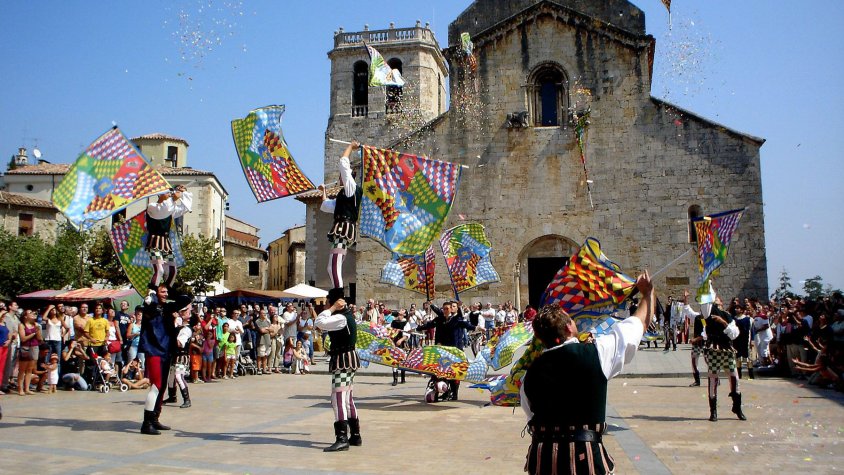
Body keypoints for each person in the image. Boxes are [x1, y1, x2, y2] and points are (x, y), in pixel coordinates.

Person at [521, 271, 655, 475]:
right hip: (586, 462)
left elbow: (532, 415)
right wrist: (647, 293)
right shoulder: (598, 353)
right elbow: (639, 324)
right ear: (568, 328)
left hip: (545, 462)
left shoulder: (529, 374)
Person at [138, 284, 192, 435]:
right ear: (155, 293)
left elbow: (185, 299)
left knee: (162, 388)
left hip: (166, 351)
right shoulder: (150, 307)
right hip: (154, 350)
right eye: (162, 291)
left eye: (167, 291)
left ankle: (155, 418)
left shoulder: (168, 309)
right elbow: (151, 302)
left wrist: (169, 281)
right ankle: (146, 423)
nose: (166, 293)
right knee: (156, 385)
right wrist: (153, 289)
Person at [315, 288, 361, 452]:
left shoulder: (341, 317)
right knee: (348, 398)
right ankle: (355, 435)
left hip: (342, 360)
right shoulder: (347, 316)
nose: (325, 306)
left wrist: (332, 308)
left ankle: (342, 438)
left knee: (338, 398)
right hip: (348, 359)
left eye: (327, 302)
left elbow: (319, 322)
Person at [318, 140, 362, 290]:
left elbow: (343, 163)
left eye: (341, 177)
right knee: (332, 267)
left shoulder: (351, 188)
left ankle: (339, 295)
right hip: (342, 229)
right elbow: (326, 206)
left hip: (344, 229)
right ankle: (337, 292)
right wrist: (323, 191)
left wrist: (350, 147)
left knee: (334, 266)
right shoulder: (342, 196)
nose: (339, 179)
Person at [416, 301, 476, 401]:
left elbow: (466, 324)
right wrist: (418, 328)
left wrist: (476, 328)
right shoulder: (441, 319)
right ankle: (445, 392)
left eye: (449, 308)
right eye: (445, 309)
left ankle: (454, 393)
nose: (446, 310)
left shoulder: (457, 319)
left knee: (453, 373)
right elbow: (430, 324)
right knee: (442, 372)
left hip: (455, 350)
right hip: (443, 350)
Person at [701, 297, 746, 422]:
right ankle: (713, 411)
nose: (715, 300)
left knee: (734, 378)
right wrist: (706, 281)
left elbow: (734, 334)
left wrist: (723, 322)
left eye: (717, 299)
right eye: (713, 299)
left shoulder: (728, 316)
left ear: (722, 303)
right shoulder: (708, 312)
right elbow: (705, 301)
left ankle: (737, 407)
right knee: (713, 380)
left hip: (727, 351)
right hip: (714, 351)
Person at [145, 184, 192, 292]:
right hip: (154, 242)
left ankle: (167, 292)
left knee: (173, 270)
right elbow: (162, 211)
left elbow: (184, 208)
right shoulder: (152, 207)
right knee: (160, 269)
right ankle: (151, 292)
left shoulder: (170, 208)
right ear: (160, 195)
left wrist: (184, 193)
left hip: (166, 244)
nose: (169, 194)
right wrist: (174, 198)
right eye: (167, 193)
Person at [164, 307, 193, 409]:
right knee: (171, 376)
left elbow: (180, 343)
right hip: (175, 355)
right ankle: (172, 396)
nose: (181, 313)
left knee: (178, 376)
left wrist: (170, 337)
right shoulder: (179, 327)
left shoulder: (186, 329)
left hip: (182, 356)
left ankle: (187, 399)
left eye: (184, 312)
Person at [17, 309, 42, 395]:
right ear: (25, 316)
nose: (32, 314)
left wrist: (38, 331)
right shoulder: (22, 325)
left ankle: (27, 388)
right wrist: (33, 333)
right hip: (25, 347)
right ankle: (20, 389)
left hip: (34, 347)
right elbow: (23, 338)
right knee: (22, 369)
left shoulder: (35, 325)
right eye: (30, 313)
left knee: (30, 369)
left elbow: (40, 339)